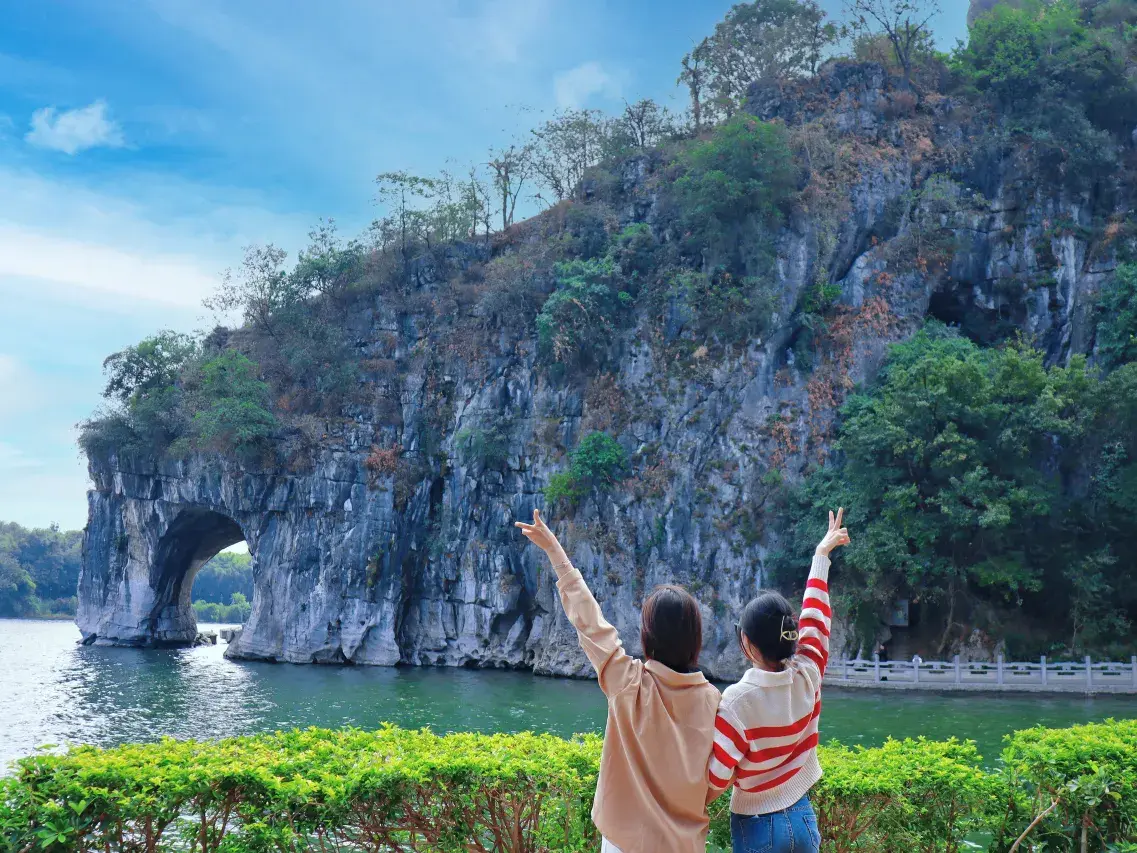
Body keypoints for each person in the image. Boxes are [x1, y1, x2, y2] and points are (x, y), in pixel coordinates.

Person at [515, 509, 721, 853]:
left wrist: (556, 552)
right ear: (695, 638)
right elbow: (720, 775)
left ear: (648, 636)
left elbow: (589, 621)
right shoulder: (714, 701)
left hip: (624, 843)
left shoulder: (628, 683)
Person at [707, 508, 850, 853]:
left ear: (747, 644)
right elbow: (816, 618)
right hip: (802, 815)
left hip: (756, 827)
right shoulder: (809, 672)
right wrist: (821, 557)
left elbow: (716, 778)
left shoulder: (736, 702)